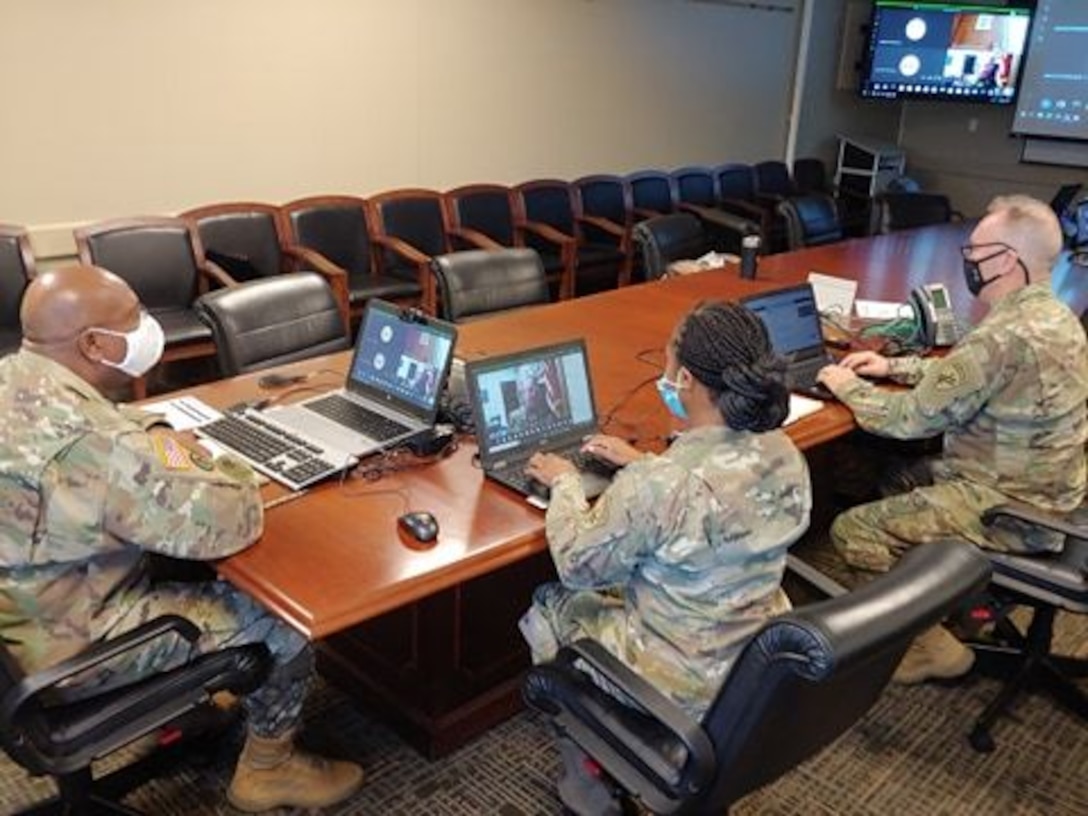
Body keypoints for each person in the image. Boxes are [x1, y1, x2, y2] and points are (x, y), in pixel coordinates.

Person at [0, 265, 364, 813]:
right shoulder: (93, 446)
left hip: (19, 623)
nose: (148, 327)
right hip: (68, 653)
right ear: (94, 343)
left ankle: (191, 700)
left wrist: (163, 447)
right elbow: (232, 519)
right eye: (134, 320)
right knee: (283, 617)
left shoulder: (17, 379)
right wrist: (220, 460)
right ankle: (269, 768)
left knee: (182, 568)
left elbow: (123, 447)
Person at [520, 301, 811, 815]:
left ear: (691, 382)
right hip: (755, 665)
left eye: (670, 364)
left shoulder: (661, 485)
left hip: (679, 681)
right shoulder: (783, 451)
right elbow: (714, 495)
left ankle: (589, 778)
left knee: (550, 603)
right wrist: (644, 465)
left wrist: (565, 483)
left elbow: (577, 564)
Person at [817, 194, 1088, 684]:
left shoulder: (1003, 334)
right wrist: (893, 364)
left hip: (1012, 508)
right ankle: (960, 605)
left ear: (1006, 260)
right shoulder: (1054, 316)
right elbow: (970, 376)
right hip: (1056, 492)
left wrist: (845, 384)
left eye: (975, 251)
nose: (968, 261)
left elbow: (906, 420)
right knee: (898, 479)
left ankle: (928, 645)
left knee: (852, 530)